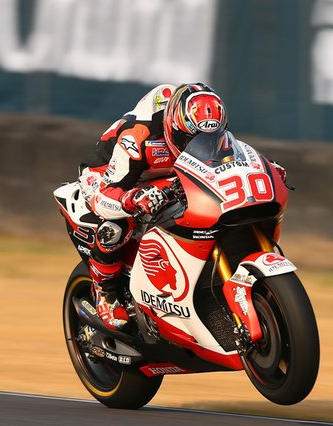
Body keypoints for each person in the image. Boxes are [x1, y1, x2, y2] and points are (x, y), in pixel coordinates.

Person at [75, 83, 229, 331]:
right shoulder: (137, 137)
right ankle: (105, 292)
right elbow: (107, 193)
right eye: (189, 139)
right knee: (116, 224)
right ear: (173, 126)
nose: (196, 144)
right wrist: (133, 199)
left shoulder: (207, 126)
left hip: (163, 174)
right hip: (107, 177)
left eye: (205, 138)